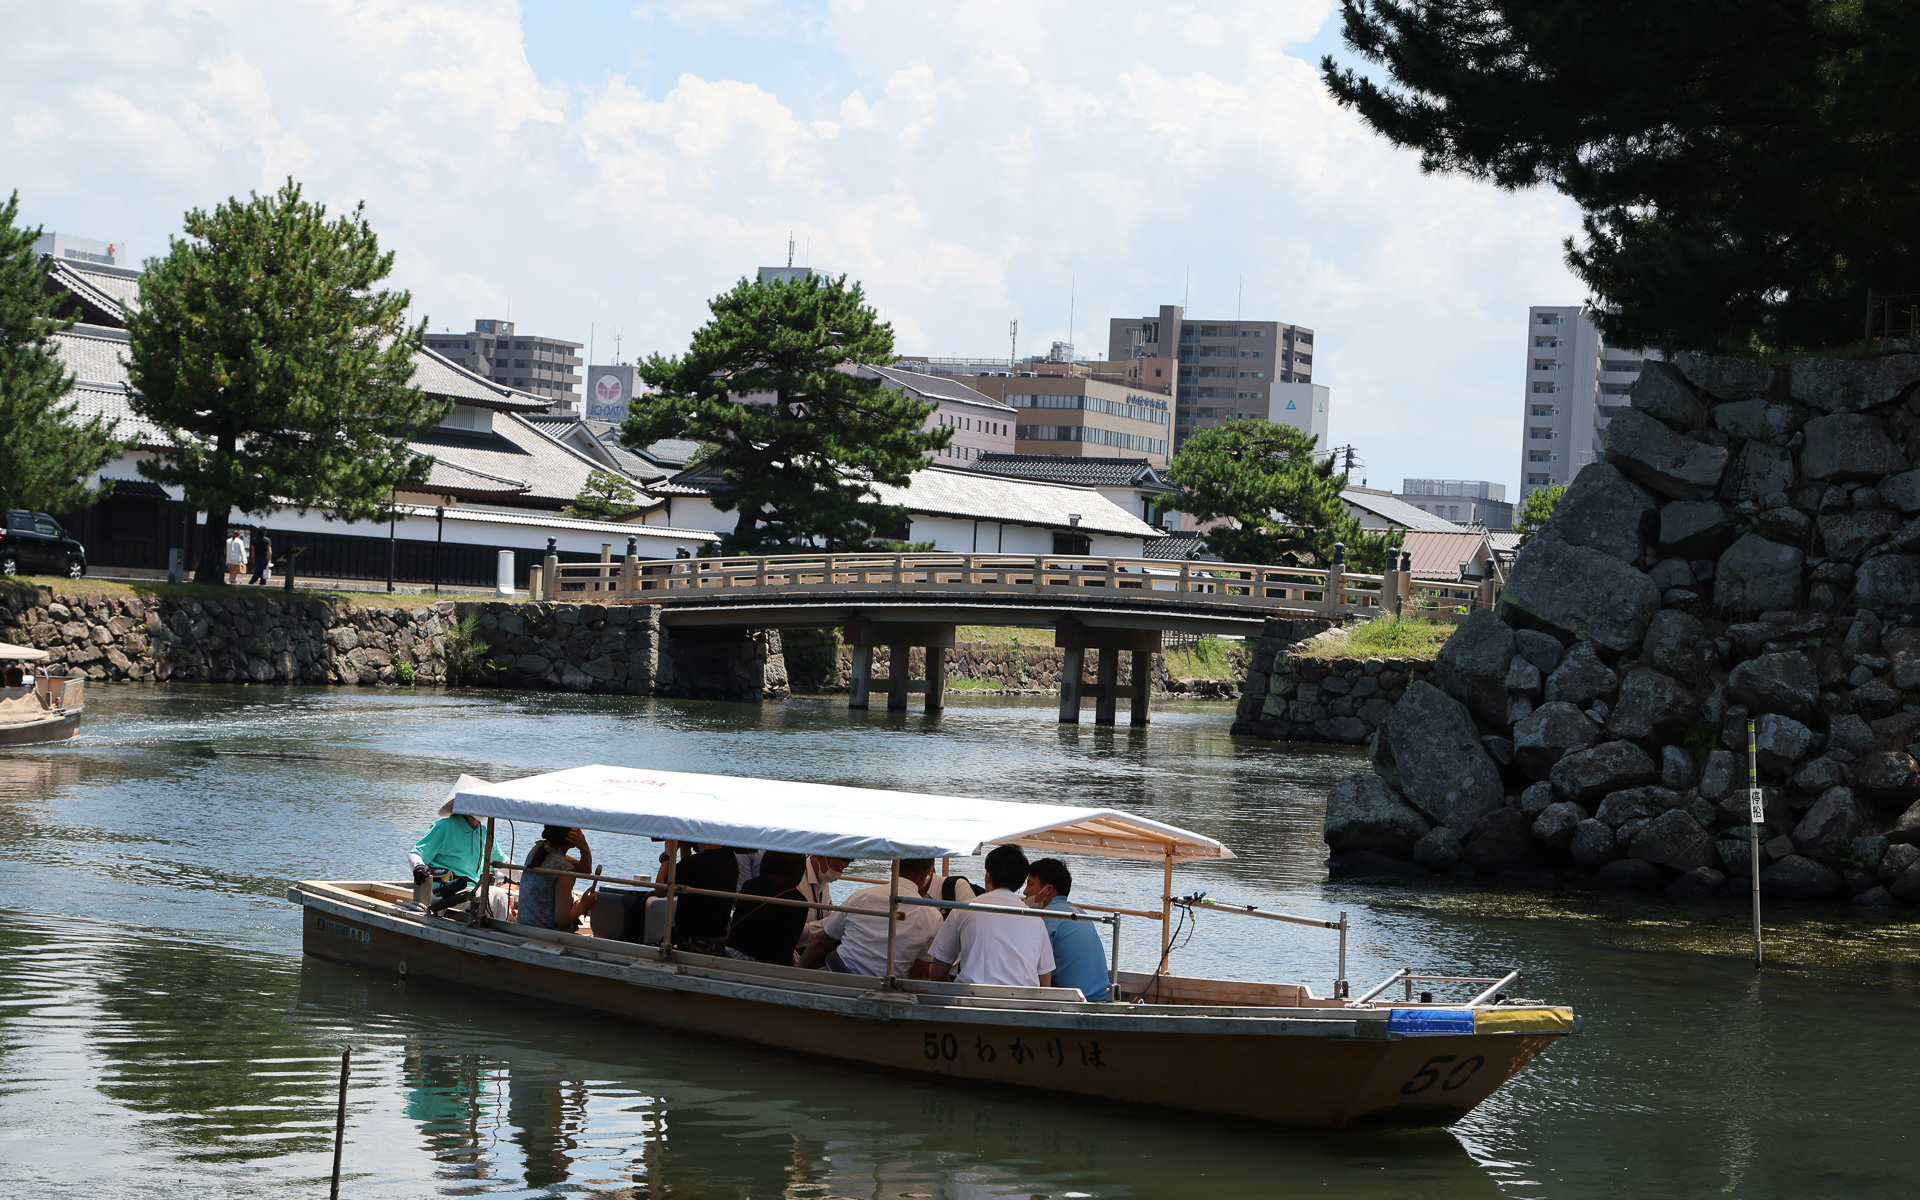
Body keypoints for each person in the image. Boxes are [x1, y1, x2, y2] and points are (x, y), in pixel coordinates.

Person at [924, 845, 1054, 988]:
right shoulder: (1037, 921)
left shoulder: (964, 910)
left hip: (971, 1002)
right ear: (1020, 884)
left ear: (988, 876)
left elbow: (937, 974)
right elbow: (1045, 984)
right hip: (1022, 1005)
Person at [799, 858, 943, 977]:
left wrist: (796, 974)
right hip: (887, 987)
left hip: (841, 974)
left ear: (893, 867)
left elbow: (821, 942)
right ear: (927, 872)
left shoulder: (862, 896)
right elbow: (920, 972)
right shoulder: (932, 916)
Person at [408, 789, 508, 916]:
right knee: (491, 897)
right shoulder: (444, 827)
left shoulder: (484, 833)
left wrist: (529, 875)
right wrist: (419, 866)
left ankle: (492, 933)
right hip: (443, 893)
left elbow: (504, 862)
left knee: (500, 896)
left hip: (472, 891)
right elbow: (415, 854)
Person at [1024, 858, 1108, 1001]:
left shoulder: (1046, 917)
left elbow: (1033, 967)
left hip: (1076, 1001)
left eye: (1030, 885)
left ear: (1048, 889)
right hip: (1102, 997)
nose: (1025, 892)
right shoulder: (1080, 912)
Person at [725, 851, 808, 964]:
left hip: (732, 953)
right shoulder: (798, 902)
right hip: (760, 964)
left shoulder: (750, 885)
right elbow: (783, 948)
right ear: (798, 870)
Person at [517, 825, 598, 932]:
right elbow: (562, 920)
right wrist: (584, 905)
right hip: (549, 934)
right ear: (572, 835)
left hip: (525, 928)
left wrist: (585, 850)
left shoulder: (537, 851)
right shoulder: (563, 869)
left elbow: (585, 870)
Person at [669, 842, 740, 949]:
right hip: (716, 940)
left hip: (690, 941)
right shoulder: (730, 859)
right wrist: (685, 847)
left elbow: (660, 889)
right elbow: (688, 875)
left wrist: (668, 852)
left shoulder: (693, 863)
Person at [794, 854, 852, 952]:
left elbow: (826, 911)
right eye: (837, 868)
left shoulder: (822, 876)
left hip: (818, 943)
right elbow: (792, 932)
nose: (839, 874)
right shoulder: (796, 880)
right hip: (799, 948)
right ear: (820, 856)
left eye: (842, 869)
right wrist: (828, 924)